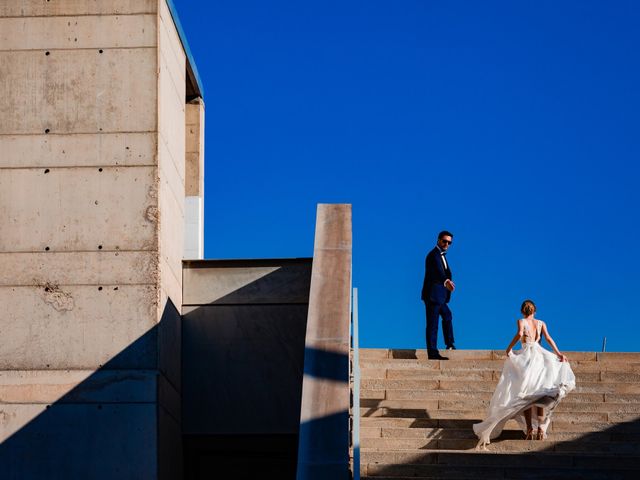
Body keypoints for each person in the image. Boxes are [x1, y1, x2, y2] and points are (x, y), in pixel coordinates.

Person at [473, 300, 576, 449]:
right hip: (540, 357)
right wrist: (559, 354)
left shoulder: (521, 321)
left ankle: (529, 429)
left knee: (527, 395)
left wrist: (509, 348)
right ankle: (540, 428)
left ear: (522, 311)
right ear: (535, 311)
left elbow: (520, 334)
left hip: (527, 358)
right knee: (540, 394)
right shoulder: (541, 323)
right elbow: (548, 338)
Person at [421, 230, 456, 360]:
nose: (447, 244)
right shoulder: (433, 255)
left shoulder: (442, 256)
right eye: (444, 241)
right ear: (438, 240)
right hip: (432, 296)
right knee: (432, 324)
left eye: (449, 242)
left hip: (440, 297)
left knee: (447, 315)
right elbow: (437, 272)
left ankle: (450, 343)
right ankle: (432, 352)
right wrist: (446, 281)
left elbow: (445, 272)